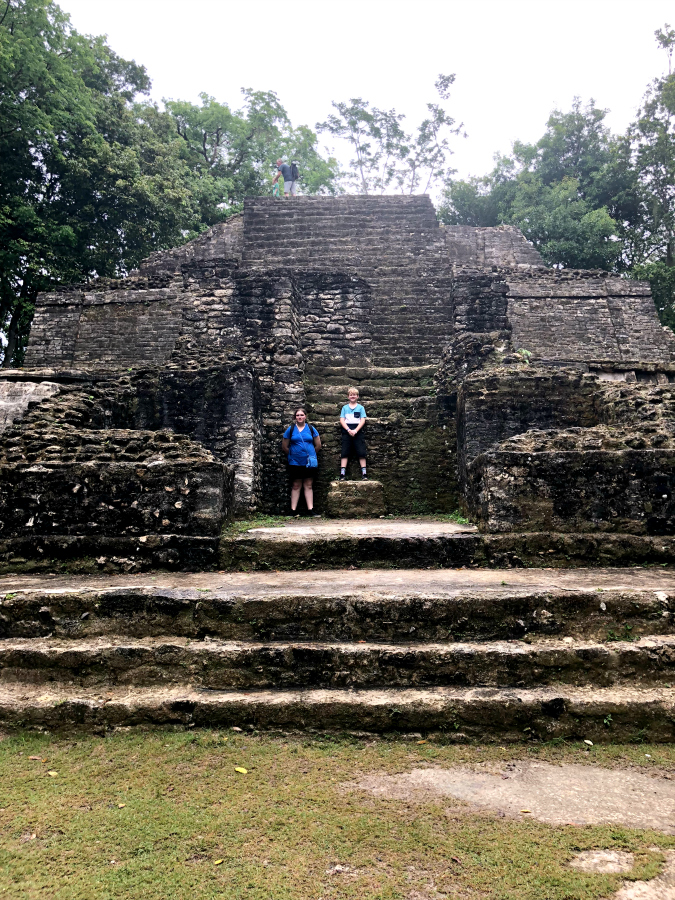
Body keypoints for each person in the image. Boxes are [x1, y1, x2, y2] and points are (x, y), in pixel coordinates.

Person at [282, 408, 321, 514]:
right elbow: (285, 446)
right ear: (295, 417)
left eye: (302, 415)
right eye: (298, 415)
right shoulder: (290, 429)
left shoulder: (311, 429)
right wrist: (293, 455)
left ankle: (310, 509)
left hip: (309, 462)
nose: (300, 417)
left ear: (305, 416)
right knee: (296, 485)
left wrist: (311, 454)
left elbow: (318, 445)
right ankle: (293, 510)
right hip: (295, 461)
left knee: (308, 484)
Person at [339, 387, 367, 480]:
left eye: (354, 395)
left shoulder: (360, 408)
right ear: (348, 397)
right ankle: (342, 473)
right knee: (345, 451)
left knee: (361, 451)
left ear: (357, 396)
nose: (352, 396)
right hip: (347, 430)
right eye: (351, 395)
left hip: (357, 431)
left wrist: (355, 430)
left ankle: (364, 473)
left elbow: (362, 420)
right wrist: (348, 430)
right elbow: (342, 420)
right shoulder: (344, 408)